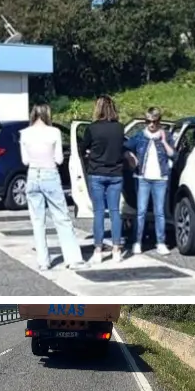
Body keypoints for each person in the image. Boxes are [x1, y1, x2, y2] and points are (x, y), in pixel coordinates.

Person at [20, 104, 85, 271]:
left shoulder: (25, 134)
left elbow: (25, 161)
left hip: (33, 174)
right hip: (50, 173)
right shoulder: (54, 132)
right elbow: (59, 159)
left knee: (37, 220)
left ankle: (43, 261)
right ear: (48, 114)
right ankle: (72, 259)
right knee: (62, 217)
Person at [80, 95, 127, 264]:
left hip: (97, 172)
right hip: (115, 173)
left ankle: (98, 250)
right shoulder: (120, 128)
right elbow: (123, 148)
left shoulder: (92, 129)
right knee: (115, 212)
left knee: (99, 213)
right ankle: (116, 250)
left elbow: (83, 148)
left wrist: (90, 153)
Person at [124, 107, 174, 255]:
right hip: (143, 178)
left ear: (159, 121)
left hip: (161, 178)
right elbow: (124, 147)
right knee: (141, 212)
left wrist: (164, 142)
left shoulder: (167, 135)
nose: (151, 124)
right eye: (148, 121)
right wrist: (130, 157)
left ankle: (160, 242)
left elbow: (173, 155)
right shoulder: (140, 136)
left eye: (155, 121)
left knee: (159, 212)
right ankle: (137, 242)